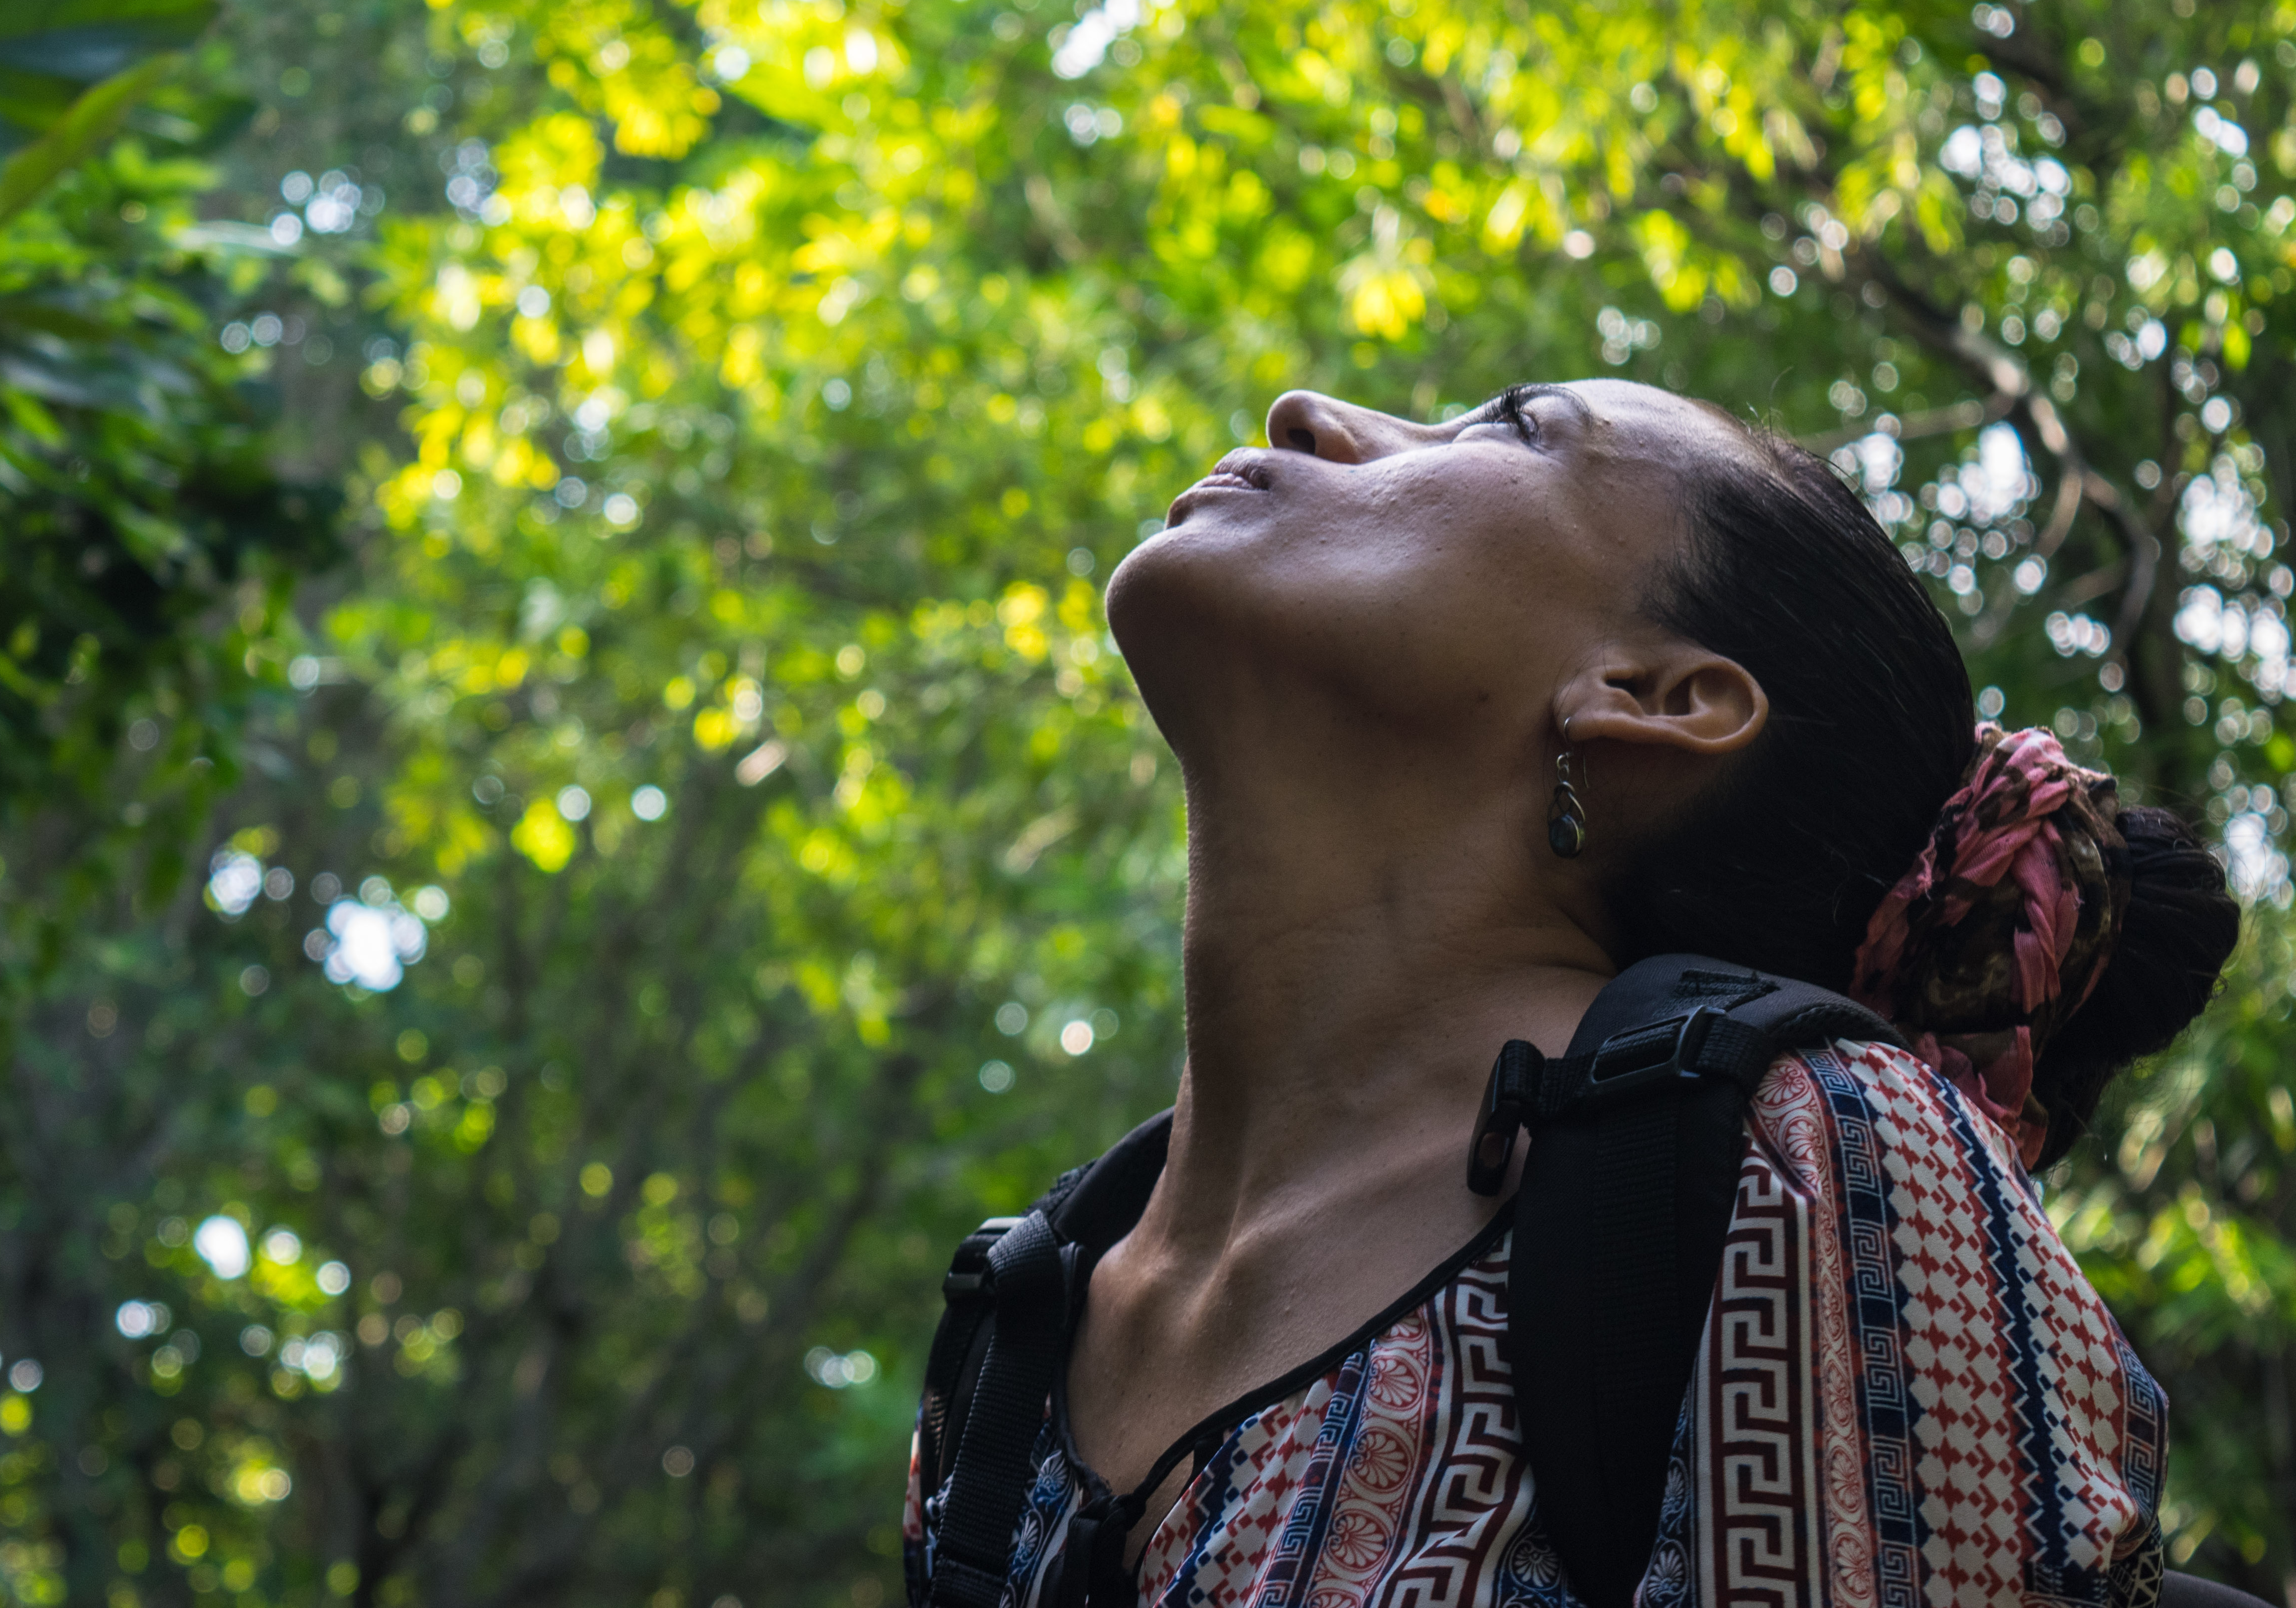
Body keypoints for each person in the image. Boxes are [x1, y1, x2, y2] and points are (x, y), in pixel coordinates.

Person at [902, 380, 2243, 1608]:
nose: (1307, 411)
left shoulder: (1799, 1164)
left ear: (1658, 697)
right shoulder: (1027, 1308)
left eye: (1508, 429)